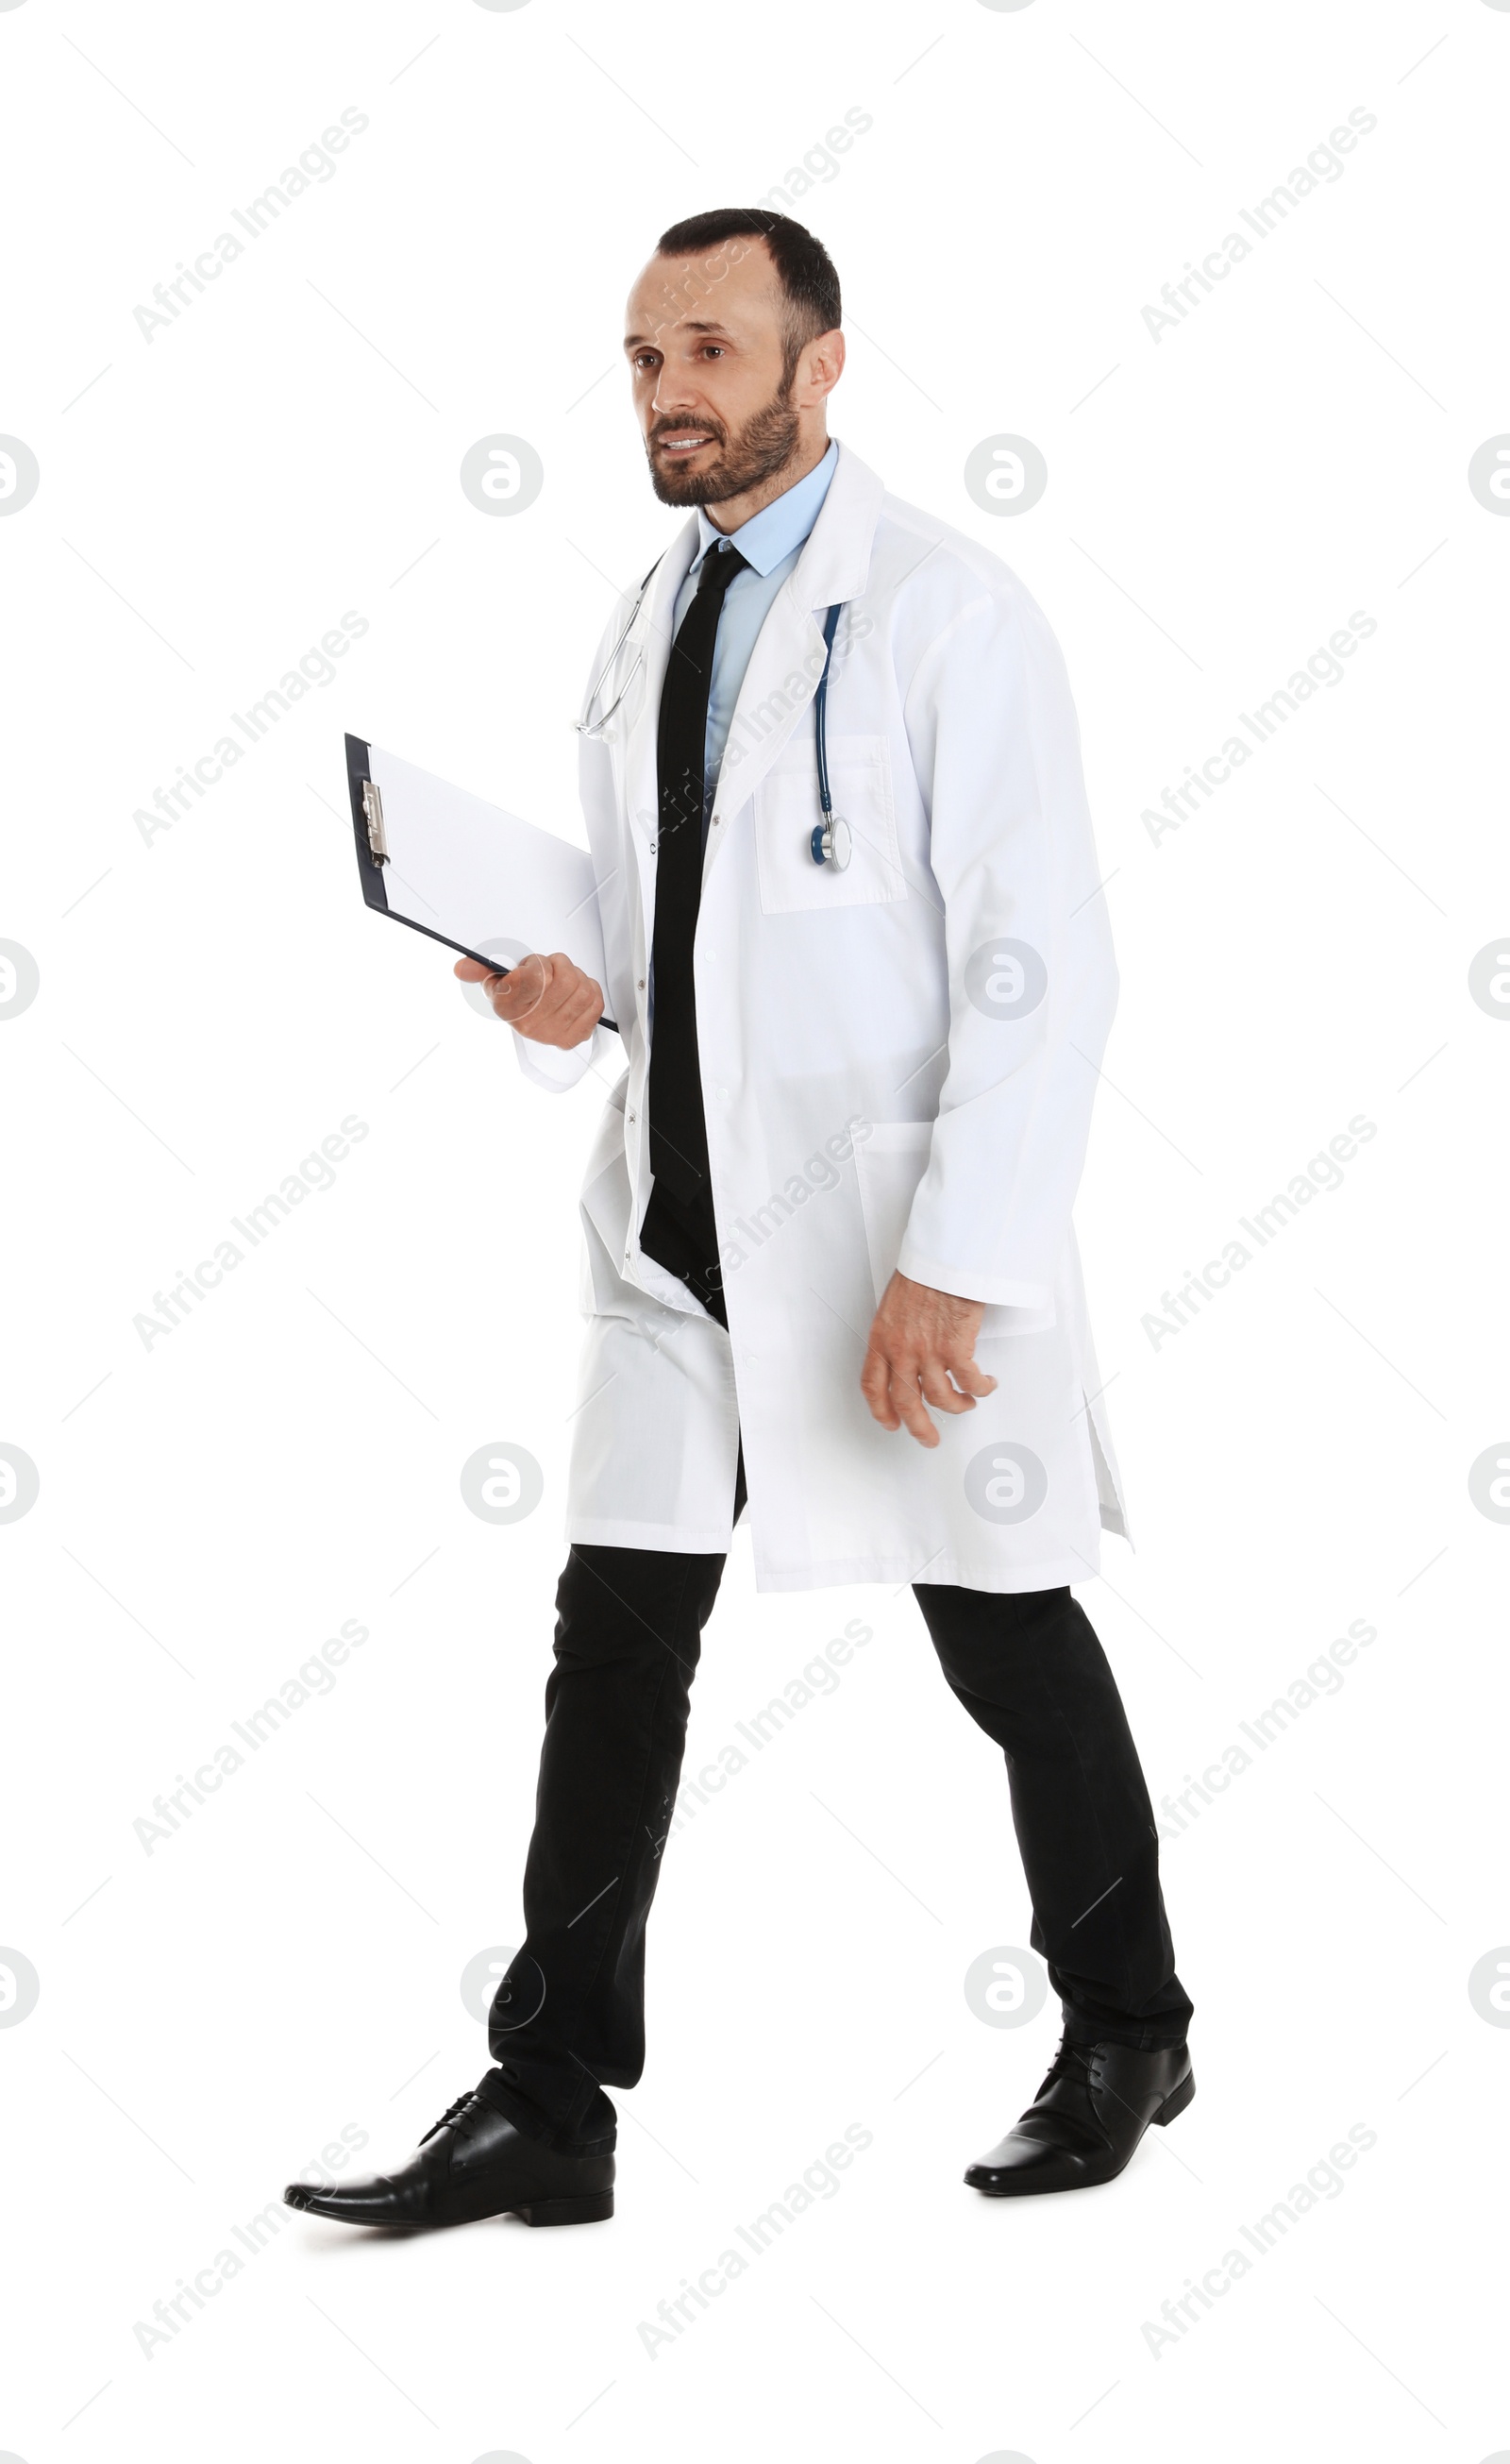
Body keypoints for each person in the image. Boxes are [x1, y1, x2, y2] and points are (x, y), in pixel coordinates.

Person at [284, 208, 1193, 2234]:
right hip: (673, 1235)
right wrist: (558, 995)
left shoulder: (949, 611)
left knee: (1003, 1631)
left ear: (819, 364)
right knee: (612, 1647)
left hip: (880, 1234)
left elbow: (1045, 958)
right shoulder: (647, 610)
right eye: (639, 360)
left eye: (708, 352)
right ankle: (549, 2102)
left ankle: (1129, 2028)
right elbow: (659, 930)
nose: (668, 396)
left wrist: (954, 1257)